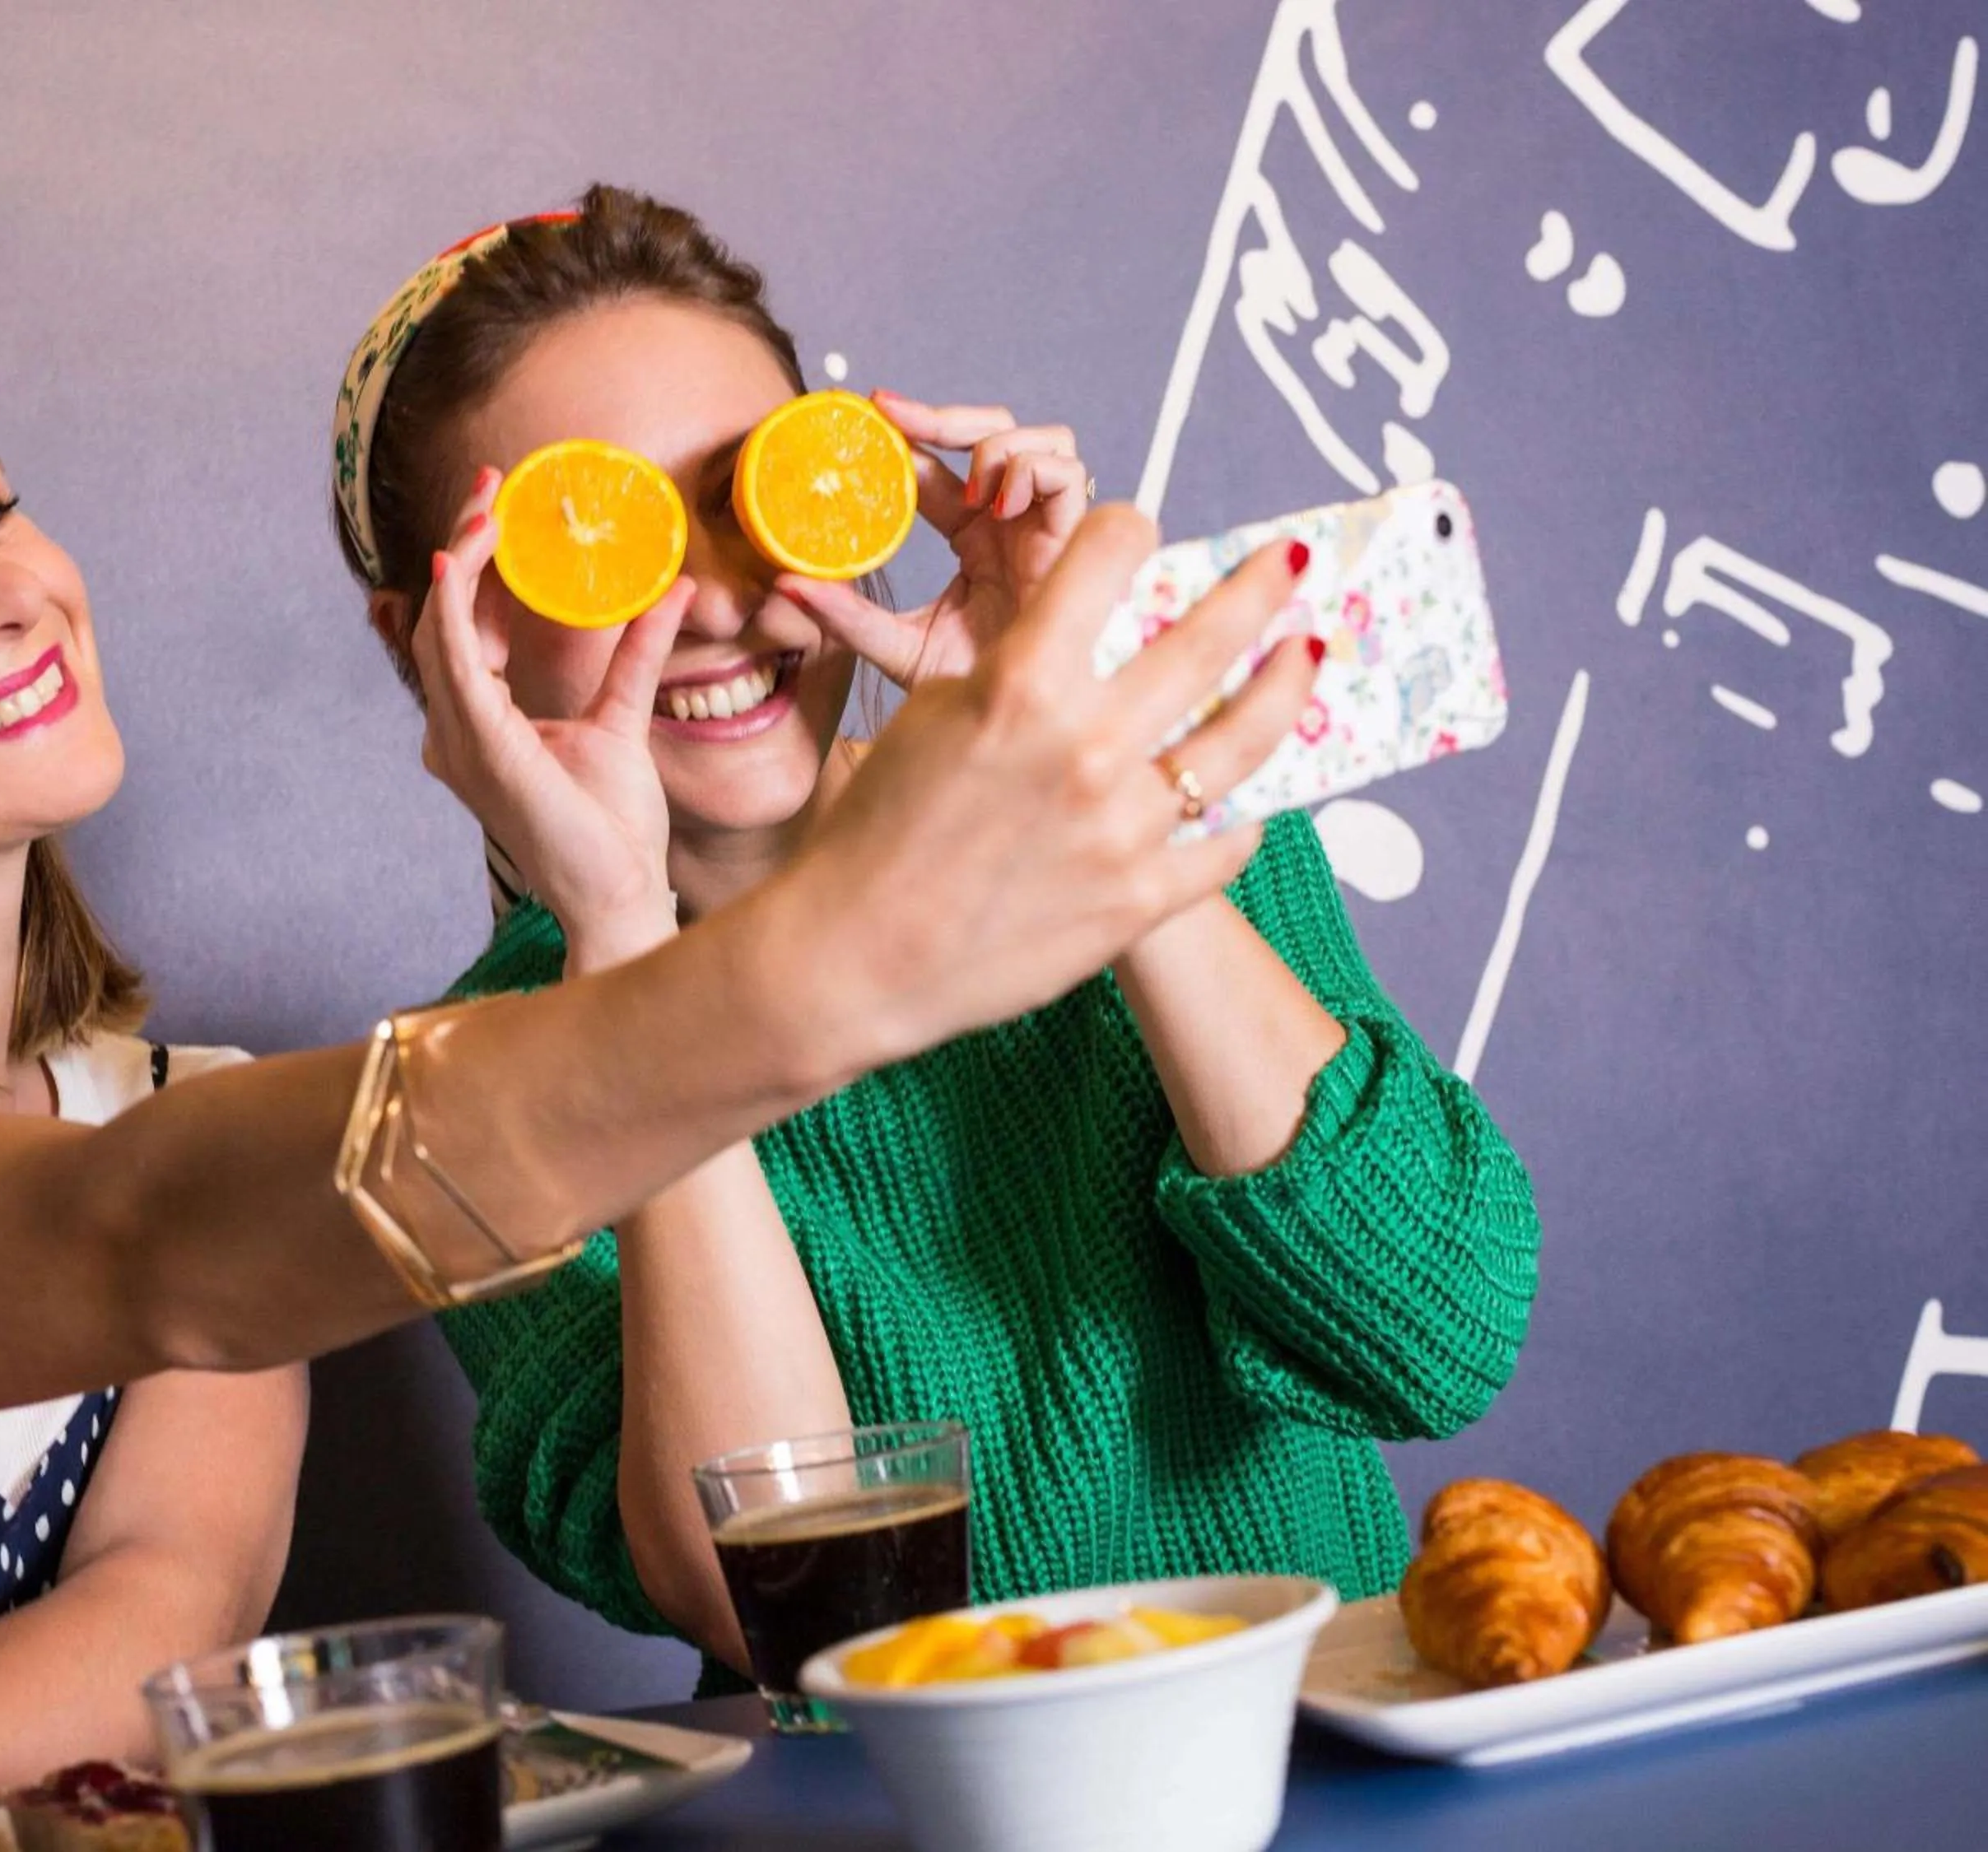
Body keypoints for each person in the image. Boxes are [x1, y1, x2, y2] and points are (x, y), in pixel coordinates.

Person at [0, 277, 1306, 1849]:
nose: (6, 595)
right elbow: (115, 1247)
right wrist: (820, 956)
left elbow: (169, 1614)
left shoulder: (186, 1105)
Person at [335, 186, 1544, 1684]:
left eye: (741, 497)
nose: (714, 601)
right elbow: (806, 1605)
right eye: (600, 539)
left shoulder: (1168, 796)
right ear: (441, 639)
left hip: (1320, 1779)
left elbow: (1432, 1332)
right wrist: (624, 943)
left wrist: (1077, 778)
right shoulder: (458, 1102)